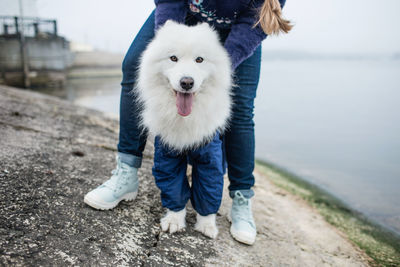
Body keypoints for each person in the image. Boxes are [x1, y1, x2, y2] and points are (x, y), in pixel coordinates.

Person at [84, 0, 291, 245]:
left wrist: (215, 69)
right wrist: (168, 43)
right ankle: (126, 173)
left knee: (241, 107)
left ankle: (241, 199)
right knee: (133, 68)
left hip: (241, 27)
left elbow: (254, 22)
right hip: (181, 12)